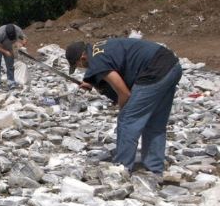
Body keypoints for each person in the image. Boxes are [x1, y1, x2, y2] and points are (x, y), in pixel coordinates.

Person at [66, 38, 182, 177]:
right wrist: (91, 82)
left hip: (154, 71)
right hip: (172, 66)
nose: (83, 68)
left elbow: (124, 93)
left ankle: (122, 168)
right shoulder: (98, 49)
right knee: (155, 122)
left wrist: (123, 110)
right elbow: (114, 67)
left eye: (79, 65)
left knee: (127, 120)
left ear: (82, 57)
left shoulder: (96, 61)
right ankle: (155, 170)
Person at [0, 24, 27, 90]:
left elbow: (24, 39)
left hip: (9, 47)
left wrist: (21, 44)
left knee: (10, 65)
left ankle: (11, 82)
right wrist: (5, 52)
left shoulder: (18, 30)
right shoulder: (1, 32)